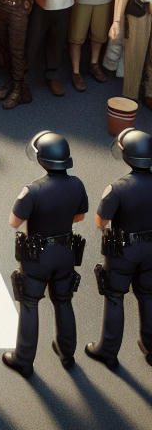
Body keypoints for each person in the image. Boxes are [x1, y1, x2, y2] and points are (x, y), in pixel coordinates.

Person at [3, 132, 88, 378]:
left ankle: (24, 359)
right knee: (63, 300)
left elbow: (14, 222)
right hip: (65, 251)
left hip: (37, 256)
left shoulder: (33, 191)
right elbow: (79, 216)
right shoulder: (77, 184)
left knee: (30, 304)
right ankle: (66, 351)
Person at [85, 128, 152, 370]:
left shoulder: (118, 187)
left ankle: (108, 351)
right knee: (148, 295)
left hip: (124, 250)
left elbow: (100, 221)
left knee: (115, 296)